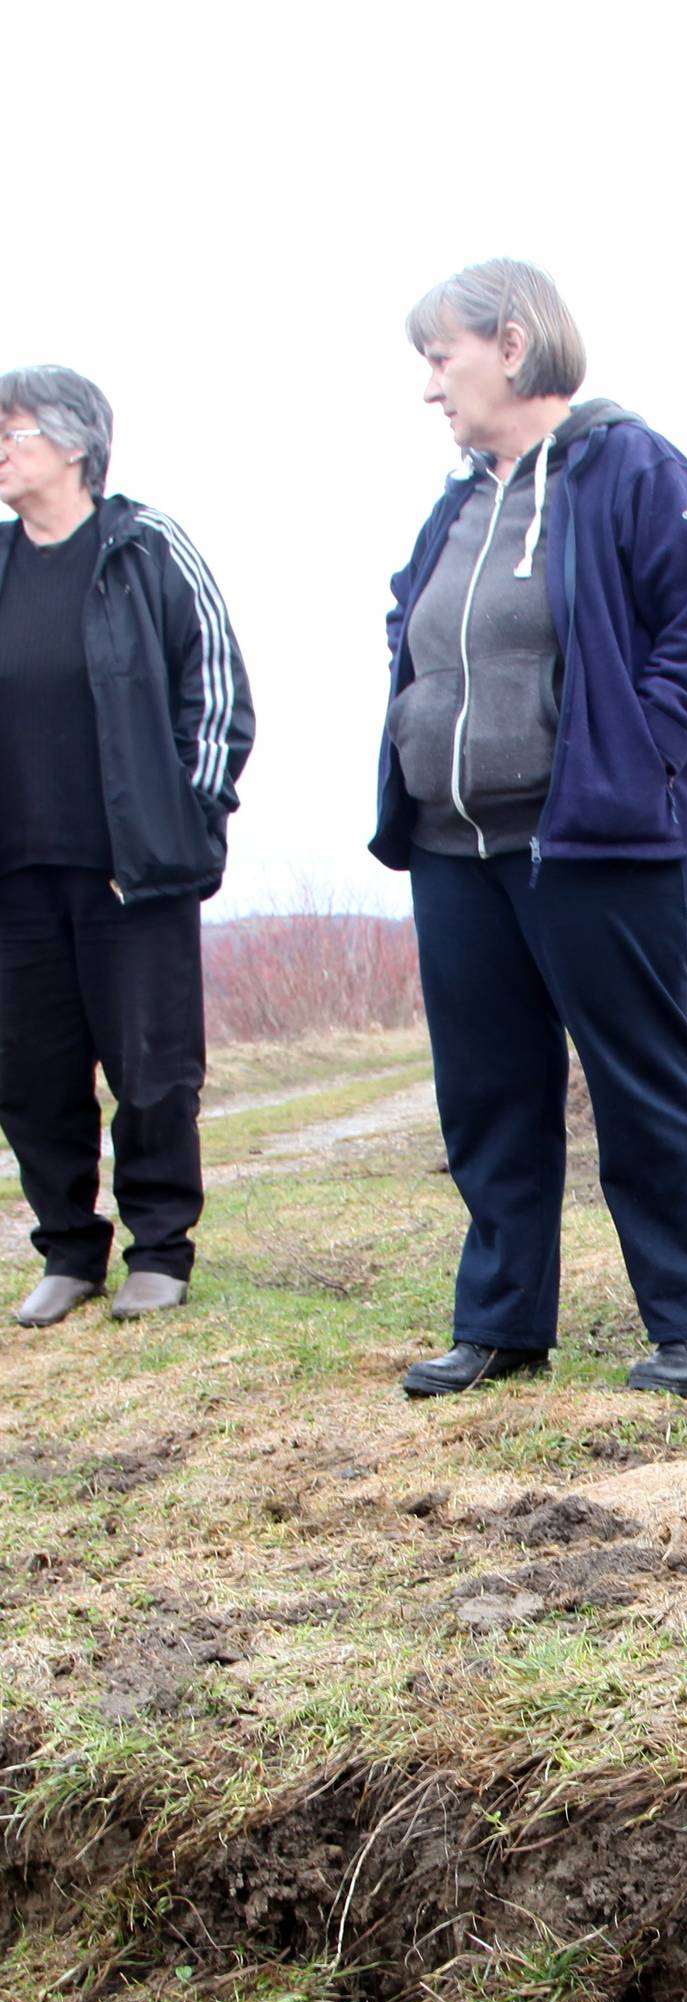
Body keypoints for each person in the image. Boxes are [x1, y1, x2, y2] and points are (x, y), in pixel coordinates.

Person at [372, 258, 687, 1400]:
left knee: (640, 1078)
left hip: (594, 847)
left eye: (443, 358)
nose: (432, 387)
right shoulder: (460, 503)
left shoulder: (631, 467)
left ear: (514, 343)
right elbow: (418, 629)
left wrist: (634, 772)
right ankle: (501, 1325)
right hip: (455, 847)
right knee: (487, 1096)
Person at [0, 367, 251, 1327]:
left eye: (14, 430)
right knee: (29, 1070)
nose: (4, 448)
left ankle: (160, 1249)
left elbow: (218, 690)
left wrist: (184, 823)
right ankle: (67, 1250)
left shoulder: (146, 551)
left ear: (72, 444)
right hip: (17, 871)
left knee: (149, 1067)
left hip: (129, 870)